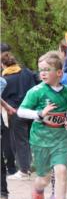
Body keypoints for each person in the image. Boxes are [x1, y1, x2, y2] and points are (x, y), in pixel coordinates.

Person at [16, 51, 67, 199]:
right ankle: (38, 189)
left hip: (60, 139)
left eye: (47, 69)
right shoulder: (36, 92)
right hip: (40, 139)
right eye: (40, 70)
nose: (42, 73)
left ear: (59, 73)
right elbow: (20, 111)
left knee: (61, 172)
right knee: (44, 178)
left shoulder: (66, 92)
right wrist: (39, 114)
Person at [1, 48, 38, 178]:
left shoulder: (4, 79)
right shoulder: (27, 72)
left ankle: (23, 170)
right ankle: (28, 167)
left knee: (20, 141)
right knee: (29, 139)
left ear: (3, 65)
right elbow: (38, 81)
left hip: (16, 112)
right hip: (32, 110)